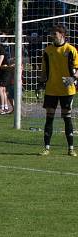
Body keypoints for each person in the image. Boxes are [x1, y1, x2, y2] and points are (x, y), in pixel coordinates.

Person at [39, 24, 78, 156]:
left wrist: (72, 79)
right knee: (49, 118)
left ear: (62, 34)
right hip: (51, 89)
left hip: (67, 90)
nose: (52, 36)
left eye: (54, 33)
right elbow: (44, 71)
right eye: (52, 33)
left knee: (67, 117)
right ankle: (47, 148)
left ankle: (71, 148)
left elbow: (77, 70)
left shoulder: (71, 50)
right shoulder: (47, 50)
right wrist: (40, 85)